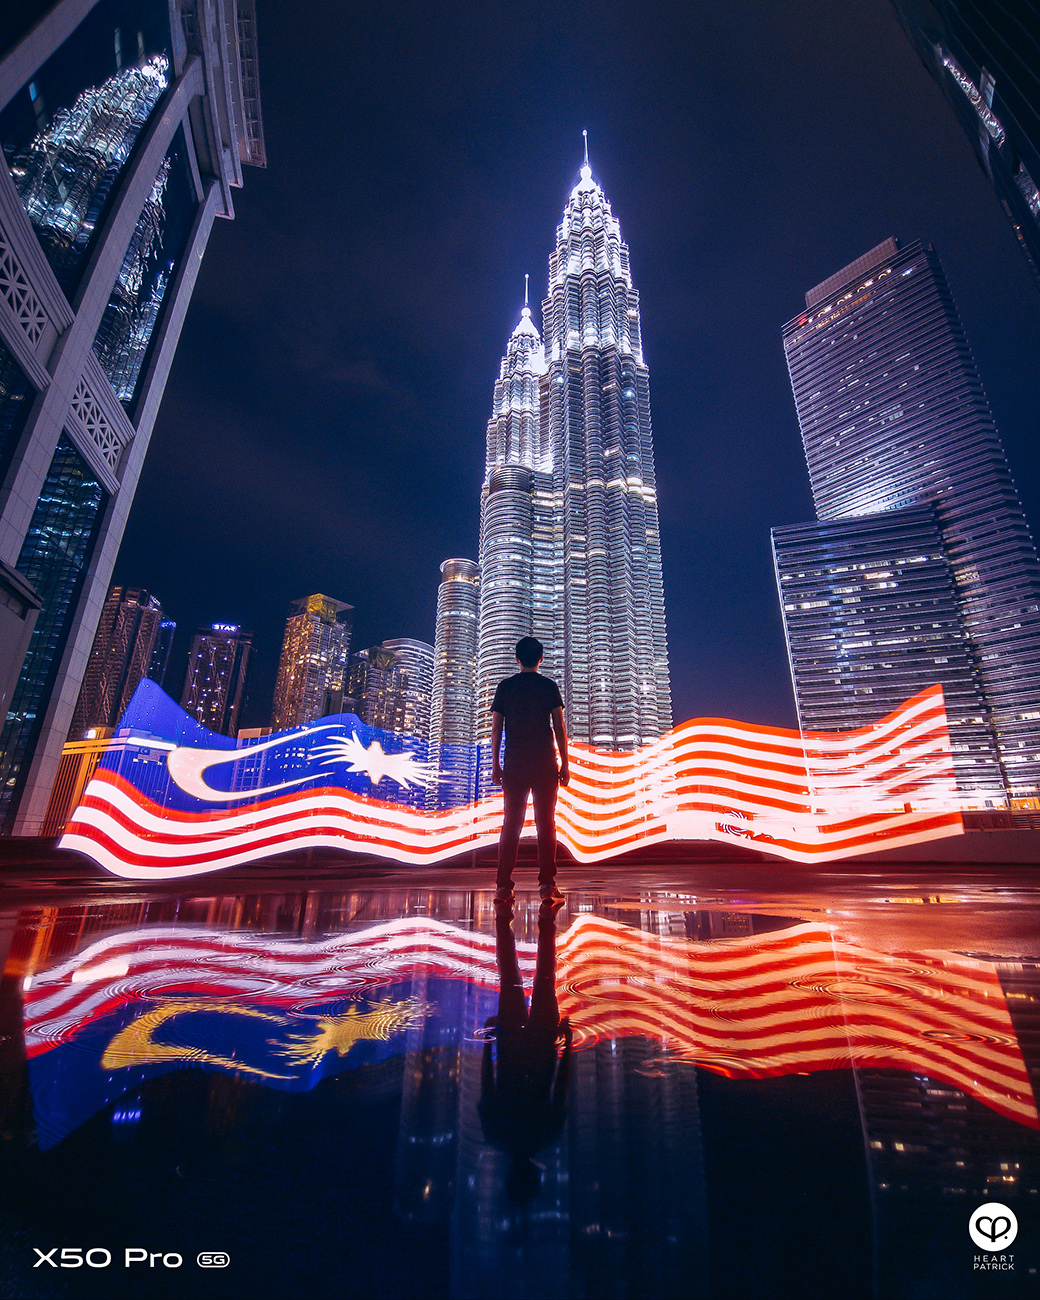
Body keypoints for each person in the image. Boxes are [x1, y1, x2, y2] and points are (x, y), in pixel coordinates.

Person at [491, 636, 569, 905]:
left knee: (510, 824)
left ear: (517, 658)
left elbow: (497, 729)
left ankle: (503, 887)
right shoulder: (549, 686)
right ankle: (547, 886)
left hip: (515, 763)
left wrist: (495, 764)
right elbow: (559, 726)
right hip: (545, 762)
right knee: (546, 824)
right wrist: (565, 764)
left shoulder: (505, 687)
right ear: (541, 659)